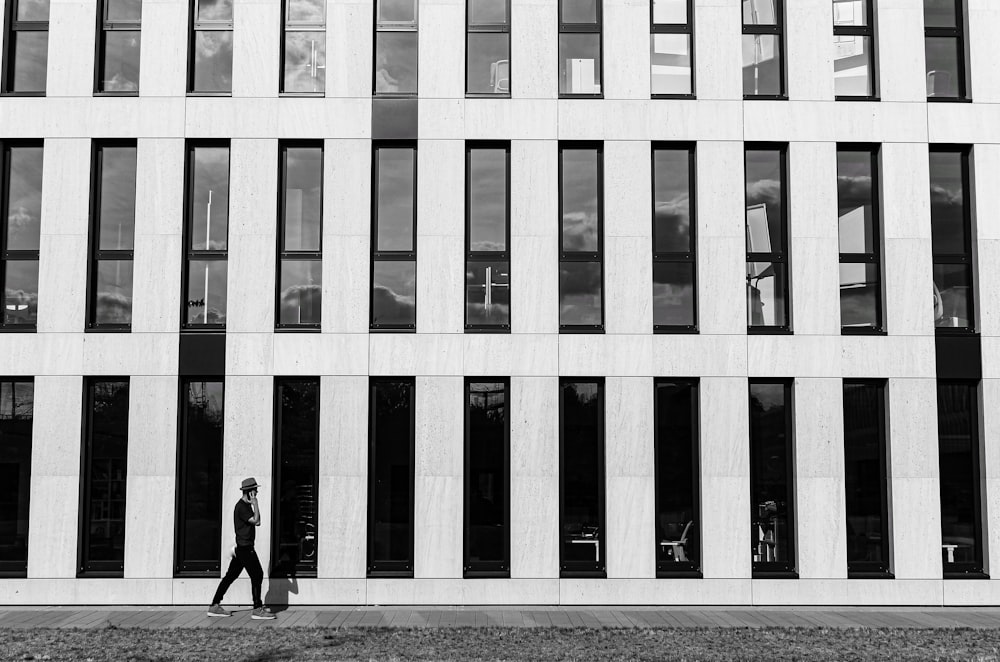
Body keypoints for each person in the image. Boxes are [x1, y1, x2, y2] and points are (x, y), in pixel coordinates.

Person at [207, 477, 276, 619]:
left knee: (230, 576)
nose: (257, 492)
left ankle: (214, 606)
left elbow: (258, 520)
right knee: (257, 574)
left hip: (242, 548)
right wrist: (256, 503)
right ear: (249, 492)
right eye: (255, 490)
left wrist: (254, 505)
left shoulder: (245, 506)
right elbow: (256, 521)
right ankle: (257, 609)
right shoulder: (242, 507)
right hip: (245, 548)